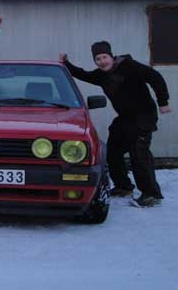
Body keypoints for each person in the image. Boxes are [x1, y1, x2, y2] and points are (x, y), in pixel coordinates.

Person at [59, 41, 171, 207]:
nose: (102, 61)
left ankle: (152, 194)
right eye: (98, 59)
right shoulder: (101, 75)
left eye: (104, 57)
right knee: (113, 151)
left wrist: (163, 102)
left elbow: (155, 77)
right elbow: (83, 75)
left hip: (143, 116)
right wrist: (66, 63)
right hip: (125, 118)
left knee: (138, 153)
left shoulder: (129, 66)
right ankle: (123, 186)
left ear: (111, 56)